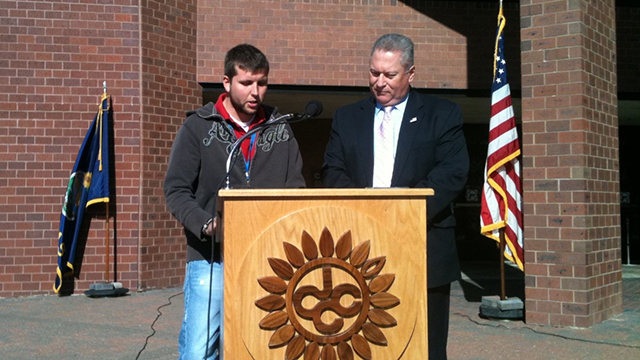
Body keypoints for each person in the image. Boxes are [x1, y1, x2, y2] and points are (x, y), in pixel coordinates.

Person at [323, 33, 469, 360]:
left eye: (390, 75)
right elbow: (333, 171)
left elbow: (452, 173)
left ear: (411, 74)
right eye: (374, 73)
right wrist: (368, 211)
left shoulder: (442, 114)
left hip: (423, 245)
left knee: (425, 348)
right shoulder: (347, 118)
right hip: (360, 247)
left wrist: (399, 211)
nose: (380, 82)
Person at [164, 43, 305, 360]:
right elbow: (175, 189)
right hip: (210, 257)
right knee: (200, 350)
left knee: (255, 347)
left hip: (267, 257)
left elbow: (295, 188)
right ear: (226, 83)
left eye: (262, 83)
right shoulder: (199, 126)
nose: (256, 92)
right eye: (246, 83)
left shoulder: (280, 128)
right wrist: (206, 224)